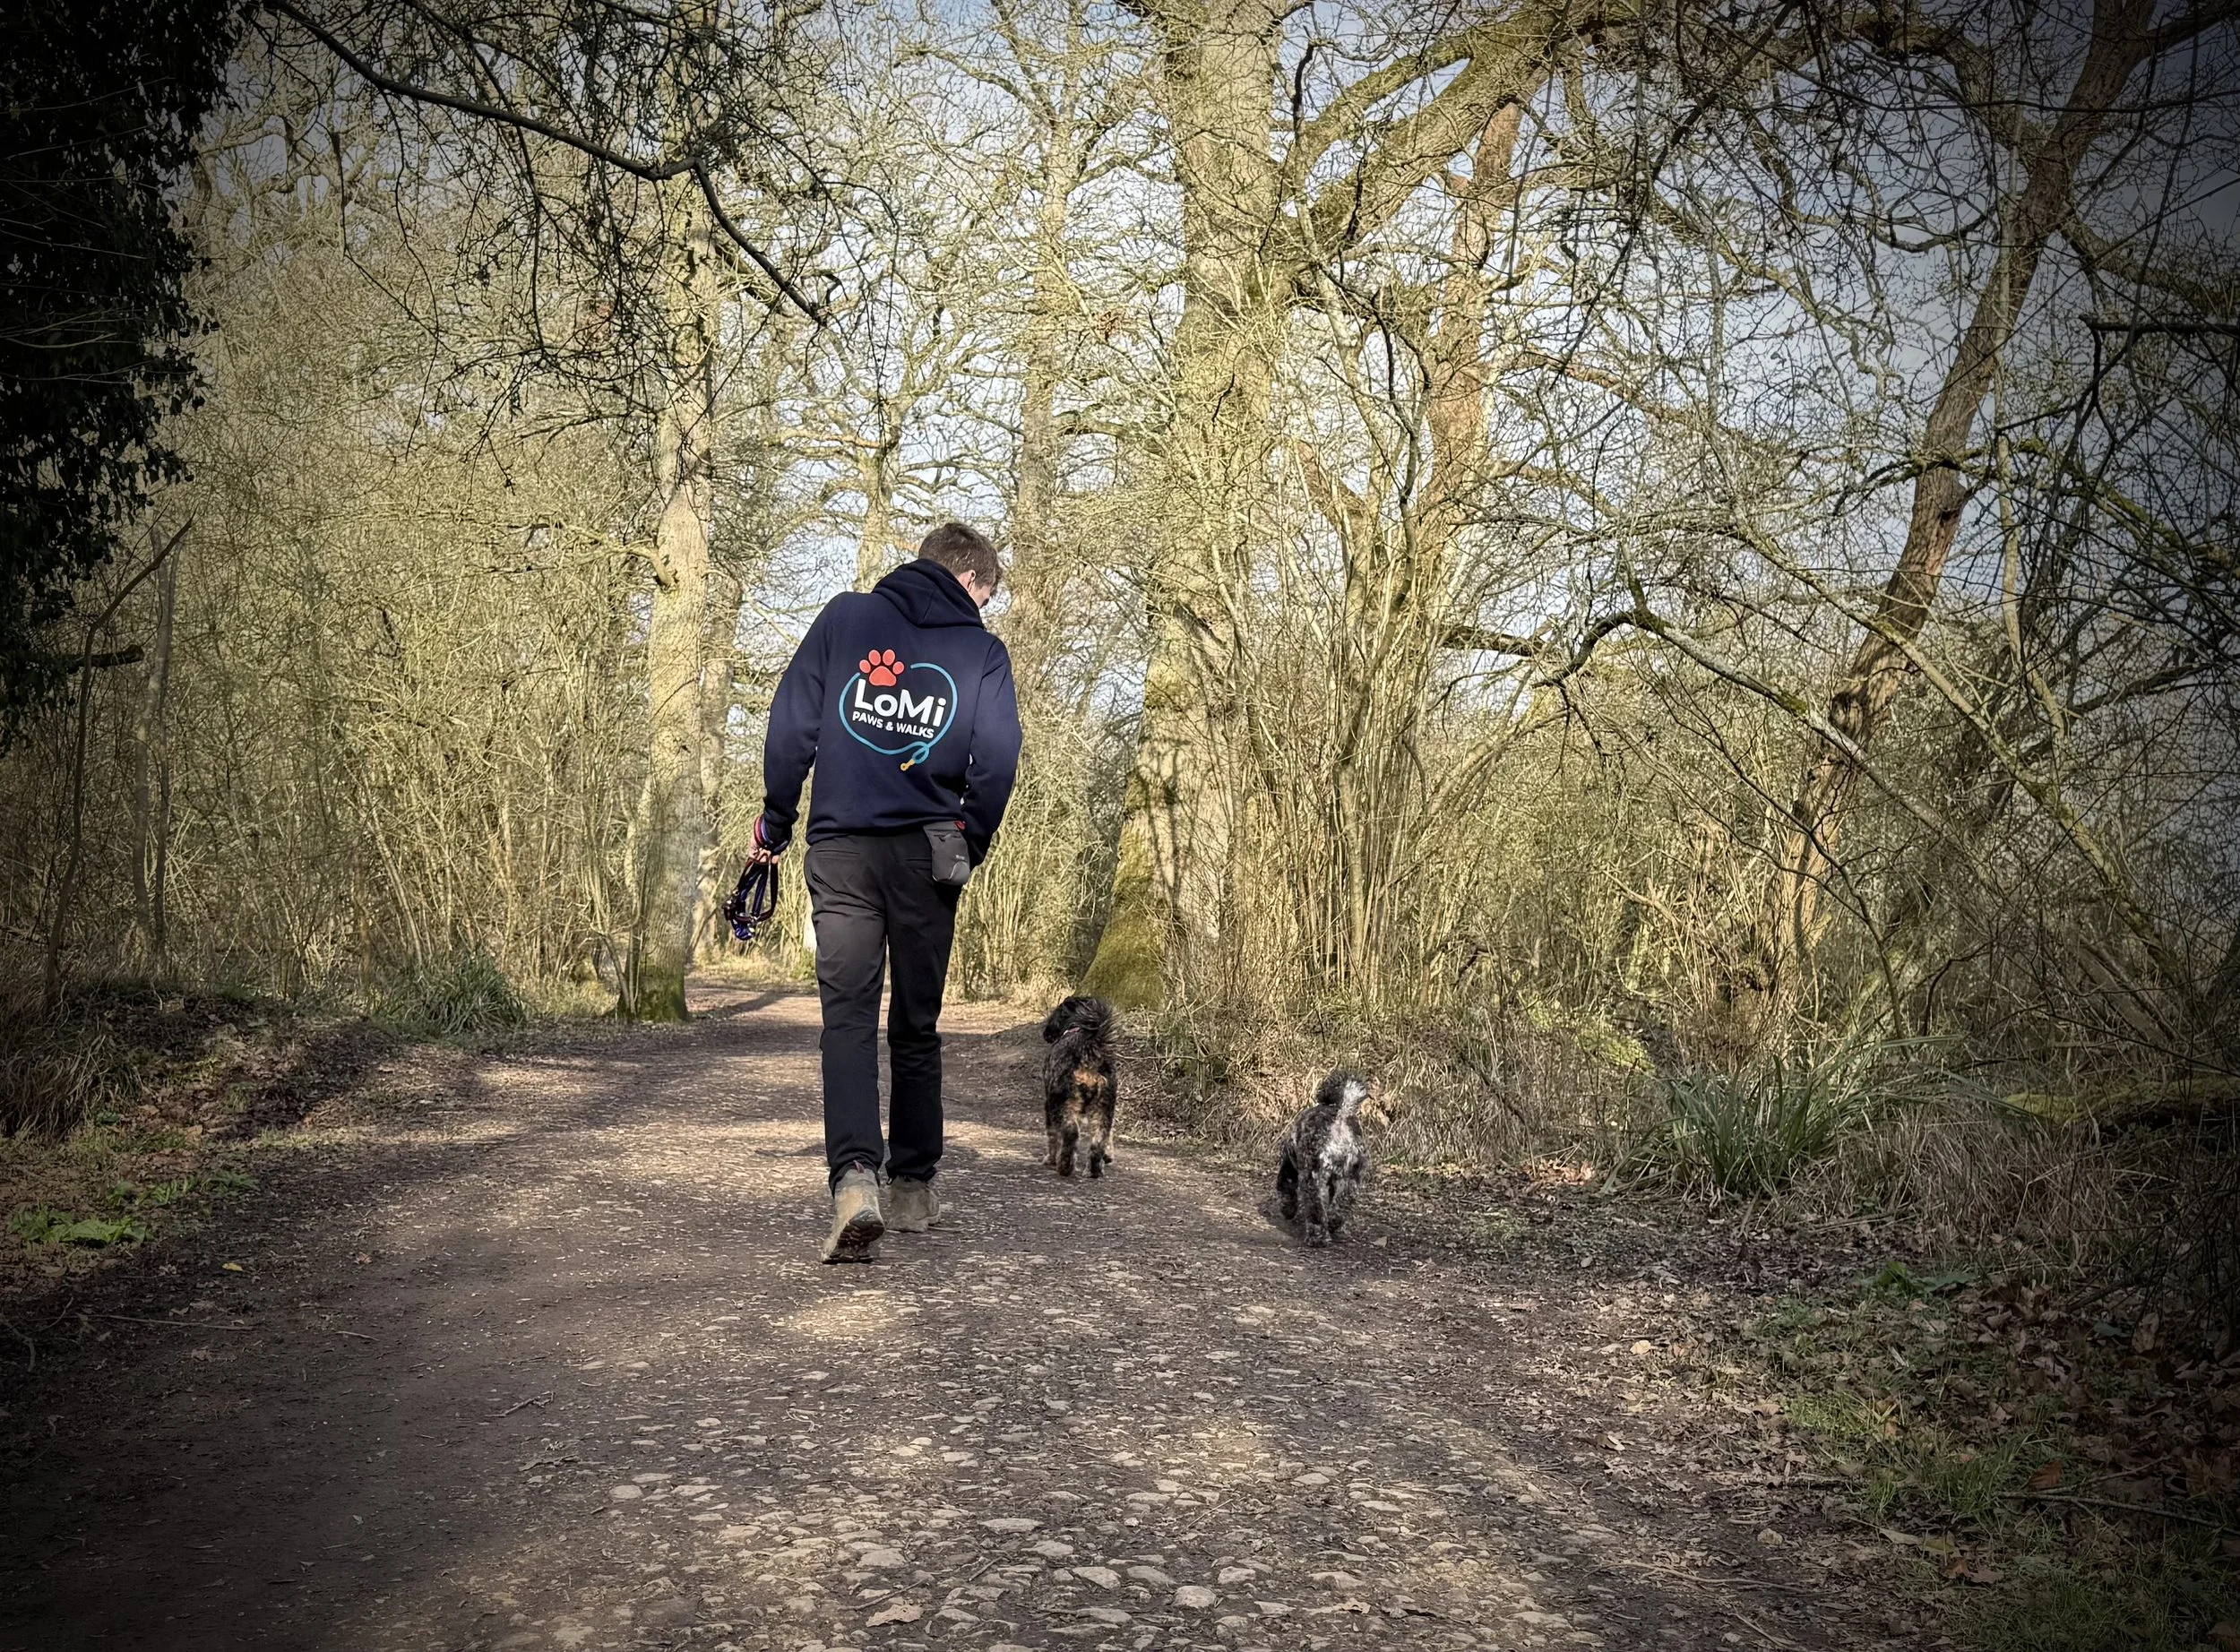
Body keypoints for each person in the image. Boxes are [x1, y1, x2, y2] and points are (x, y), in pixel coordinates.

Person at [748, 521, 1022, 1261]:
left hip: (840, 843)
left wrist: (776, 821)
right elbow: (996, 763)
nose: (984, 612)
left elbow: (793, 723)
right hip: (931, 850)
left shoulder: (844, 618)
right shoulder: (981, 654)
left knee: (846, 1017)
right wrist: (971, 842)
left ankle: (854, 1182)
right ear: (968, 578)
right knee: (917, 1023)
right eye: (986, 597)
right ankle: (912, 1188)